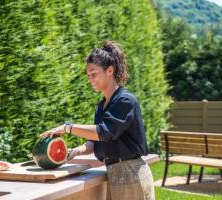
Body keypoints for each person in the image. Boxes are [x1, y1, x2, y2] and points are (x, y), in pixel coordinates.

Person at [40, 40, 155, 200]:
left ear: (110, 70)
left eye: (94, 74)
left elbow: (104, 132)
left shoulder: (125, 101)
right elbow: (98, 140)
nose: (90, 79)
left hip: (131, 173)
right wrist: (77, 150)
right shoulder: (102, 106)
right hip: (114, 172)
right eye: (88, 75)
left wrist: (68, 128)